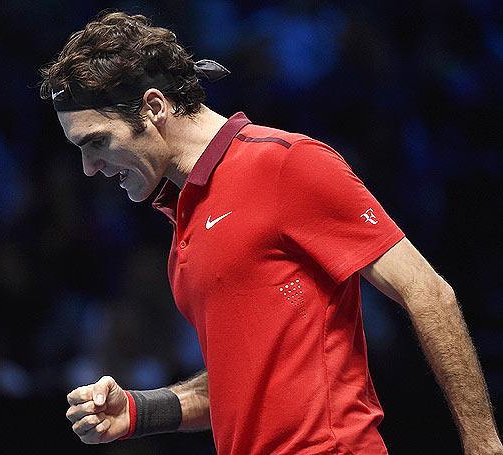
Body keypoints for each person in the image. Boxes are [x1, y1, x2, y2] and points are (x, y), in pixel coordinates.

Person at [39, 11, 503, 455]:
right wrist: (140, 411)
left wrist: (482, 443)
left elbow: (428, 292)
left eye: (96, 141)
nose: (88, 168)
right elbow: (240, 378)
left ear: (154, 107)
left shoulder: (285, 163)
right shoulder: (184, 216)